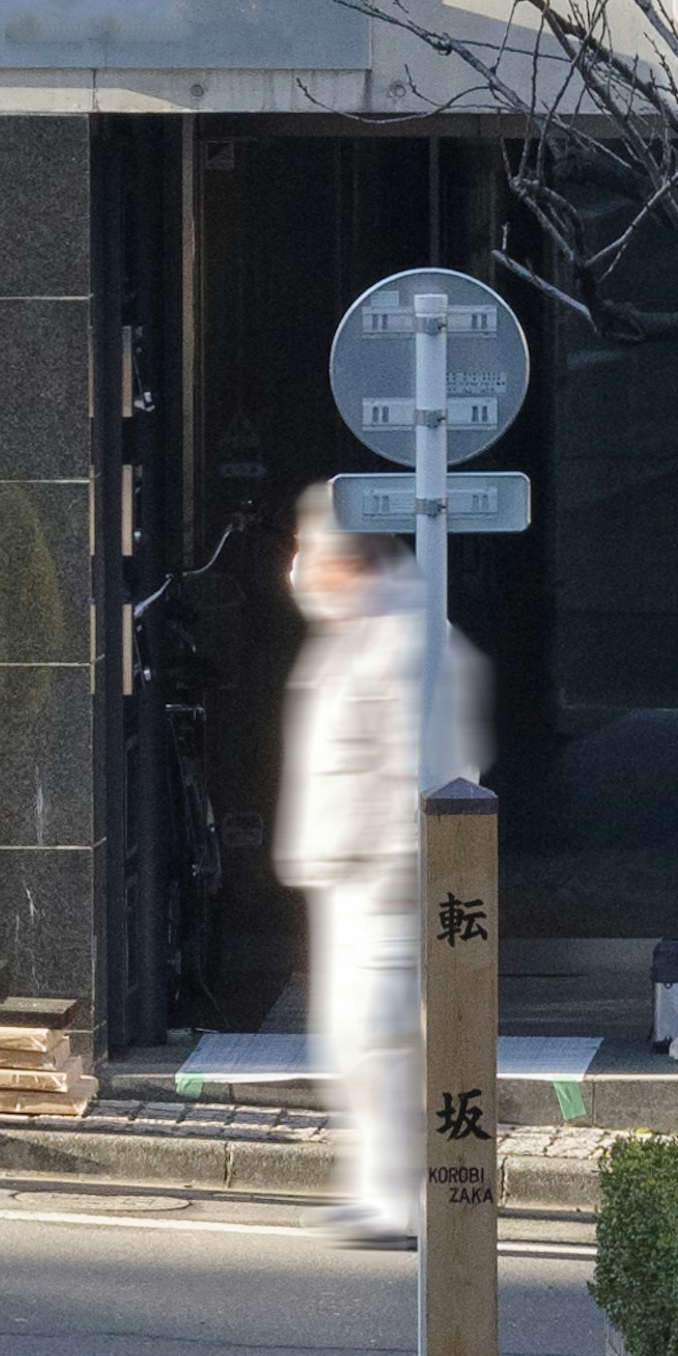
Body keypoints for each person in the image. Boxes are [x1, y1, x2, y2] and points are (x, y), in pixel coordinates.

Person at [276, 493, 489, 1251]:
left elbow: (423, 768)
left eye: (309, 549)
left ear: (349, 561)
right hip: (349, 877)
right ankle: (376, 1190)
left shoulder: (407, 641)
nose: (297, 567)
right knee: (354, 1045)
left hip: (386, 883)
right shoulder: (358, 631)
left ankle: (395, 1202)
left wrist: (404, 881)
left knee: (381, 1043)